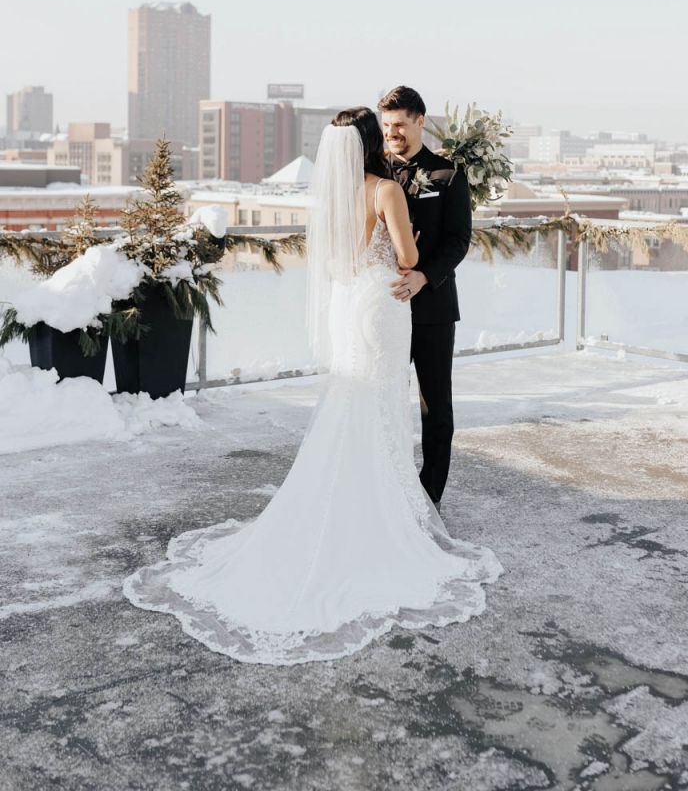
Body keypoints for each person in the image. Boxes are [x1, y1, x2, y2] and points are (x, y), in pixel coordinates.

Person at [123, 107, 501, 665]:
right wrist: (412, 245)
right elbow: (408, 257)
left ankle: (360, 499)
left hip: (353, 303)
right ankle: (385, 512)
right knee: (380, 403)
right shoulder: (385, 191)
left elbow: (345, 258)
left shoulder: (335, 196)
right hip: (386, 304)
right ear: (375, 139)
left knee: (355, 400)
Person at [378, 86, 471, 510]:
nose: (392, 132)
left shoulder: (448, 174)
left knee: (436, 409)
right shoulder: (373, 172)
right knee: (382, 403)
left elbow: (459, 241)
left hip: (433, 308)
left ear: (420, 121)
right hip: (384, 307)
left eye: (400, 124)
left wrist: (424, 277)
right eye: (386, 125)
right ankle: (386, 488)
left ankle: (428, 498)